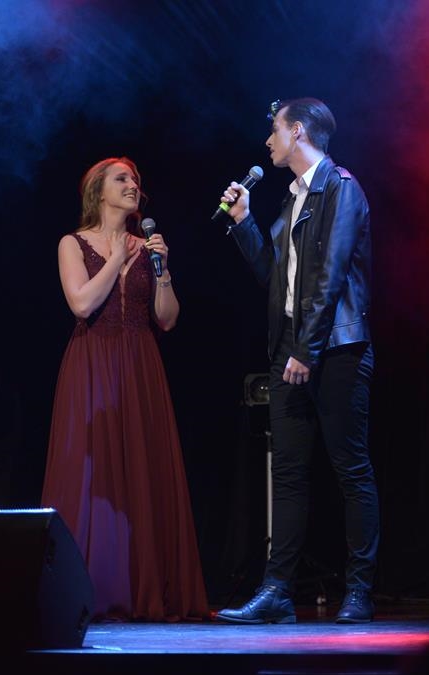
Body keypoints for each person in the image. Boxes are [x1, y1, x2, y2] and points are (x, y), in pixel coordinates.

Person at [215, 98, 379, 624]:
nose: (268, 141)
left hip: (337, 347)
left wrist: (307, 351)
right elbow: (274, 277)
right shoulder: (293, 200)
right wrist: (244, 222)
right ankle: (277, 591)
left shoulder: (341, 187)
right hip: (293, 348)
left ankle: (360, 590)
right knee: (287, 473)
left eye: (275, 130)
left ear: (299, 131)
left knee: (350, 468)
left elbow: (331, 275)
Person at [40, 156, 209, 622]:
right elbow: (81, 304)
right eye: (122, 179)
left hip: (140, 363)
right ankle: (91, 590)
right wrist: (116, 257)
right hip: (92, 363)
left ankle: (146, 587)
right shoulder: (73, 243)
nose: (133, 185)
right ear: (98, 191)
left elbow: (167, 319)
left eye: (135, 179)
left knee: (141, 467)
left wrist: (162, 269)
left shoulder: (147, 246)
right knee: (92, 474)